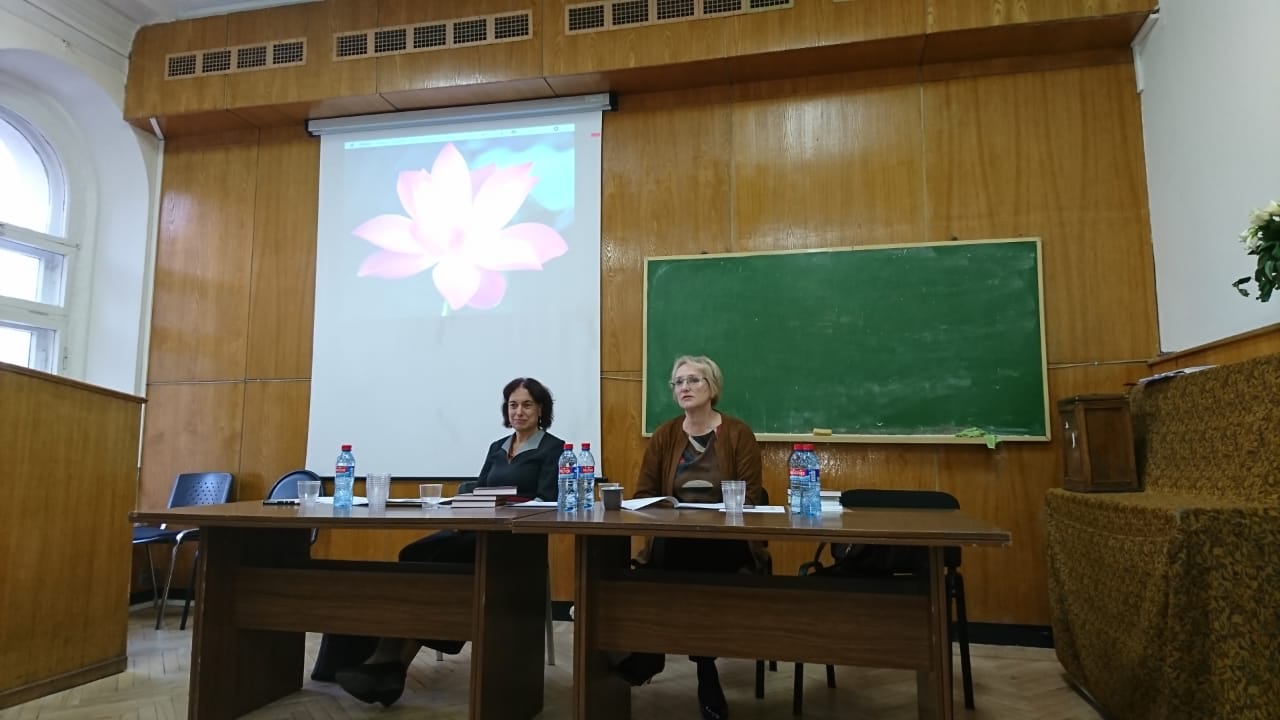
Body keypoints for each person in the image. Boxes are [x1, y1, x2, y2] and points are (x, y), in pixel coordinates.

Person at [314, 377, 563, 707]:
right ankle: (391, 668)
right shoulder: (498, 447)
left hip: (515, 539)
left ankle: (389, 663)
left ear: (541, 409)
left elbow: (548, 500)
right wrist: (465, 502)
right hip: (479, 529)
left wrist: (507, 503)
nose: (519, 412)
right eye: (513, 405)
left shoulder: (554, 448)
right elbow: (479, 488)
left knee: (447, 564)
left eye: (527, 405)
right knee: (415, 553)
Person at [616, 355, 766, 720]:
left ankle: (661, 656)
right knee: (672, 555)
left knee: (692, 563)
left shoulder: (738, 434)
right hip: (675, 536)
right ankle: (697, 667)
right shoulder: (666, 435)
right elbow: (644, 492)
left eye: (693, 380)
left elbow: (751, 496)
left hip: (726, 541)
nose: (684, 387)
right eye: (678, 382)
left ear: (712, 388)